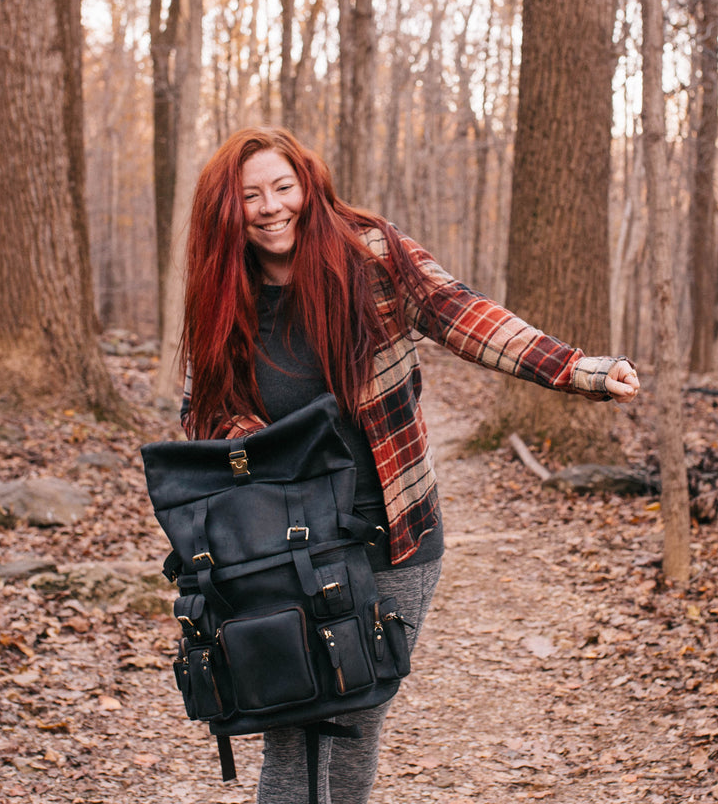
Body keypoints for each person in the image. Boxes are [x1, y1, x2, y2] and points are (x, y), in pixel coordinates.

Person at [177, 126, 640, 804]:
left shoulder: (371, 255)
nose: (272, 206)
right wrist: (251, 440)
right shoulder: (222, 290)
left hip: (393, 535)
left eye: (284, 187)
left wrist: (577, 369)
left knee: (354, 722)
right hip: (281, 549)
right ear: (228, 208)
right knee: (291, 724)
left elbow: (466, 316)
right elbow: (203, 410)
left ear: (308, 186)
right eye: (251, 195)